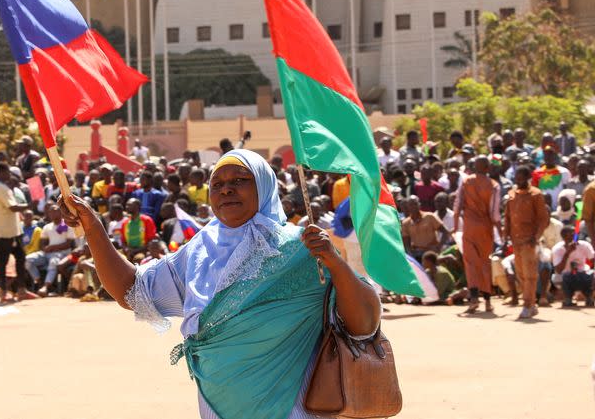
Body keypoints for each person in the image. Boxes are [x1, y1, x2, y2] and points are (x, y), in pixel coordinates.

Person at [58, 149, 380, 419]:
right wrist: (93, 227)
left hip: (292, 409)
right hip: (217, 409)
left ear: (264, 186)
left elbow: (364, 324)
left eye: (240, 181)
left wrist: (335, 263)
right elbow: (132, 291)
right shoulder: (199, 250)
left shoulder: (303, 248)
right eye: (218, 184)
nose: (226, 189)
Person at [454, 155, 501, 314]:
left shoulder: (466, 181)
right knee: (484, 263)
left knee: (470, 263)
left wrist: (455, 228)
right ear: (488, 168)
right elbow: (494, 214)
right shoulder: (494, 185)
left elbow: (457, 205)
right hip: (485, 228)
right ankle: (487, 301)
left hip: (469, 227)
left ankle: (474, 299)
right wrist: (501, 232)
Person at [502, 166, 550, 319]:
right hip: (516, 240)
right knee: (521, 273)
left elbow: (543, 219)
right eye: (517, 176)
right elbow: (507, 218)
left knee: (530, 274)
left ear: (528, 178)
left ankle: (527, 304)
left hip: (529, 241)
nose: (518, 179)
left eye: (521, 177)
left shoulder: (536, 195)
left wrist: (535, 237)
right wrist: (505, 238)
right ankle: (532, 303)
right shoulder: (511, 194)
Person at [0, 162, 31, 301]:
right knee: (4, 261)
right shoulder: (0, 187)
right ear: (1, 172)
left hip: (12, 230)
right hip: (6, 231)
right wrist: (30, 205)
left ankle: (20, 289)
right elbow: (12, 207)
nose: (9, 175)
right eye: (7, 172)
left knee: (19, 258)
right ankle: (4, 290)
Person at [25, 204, 75, 297]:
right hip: (48, 253)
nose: (52, 213)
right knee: (28, 260)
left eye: (55, 211)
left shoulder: (66, 224)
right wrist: (45, 248)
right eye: (50, 211)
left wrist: (52, 247)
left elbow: (68, 244)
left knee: (53, 261)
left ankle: (46, 287)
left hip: (62, 254)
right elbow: (43, 244)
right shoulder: (47, 227)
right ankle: (39, 282)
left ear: (60, 212)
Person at [551, 225, 594, 307]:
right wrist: (567, 253)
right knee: (562, 276)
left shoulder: (584, 245)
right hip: (565, 277)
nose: (576, 235)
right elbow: (558, 270)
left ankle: (589, 297)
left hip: (583, 275)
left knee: (592, 275)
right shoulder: (557, 249)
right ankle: (568, 298)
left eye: (576, 233)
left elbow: (592, 259)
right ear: (564, 237)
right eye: (572, 234)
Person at [400, 196, 449, 261]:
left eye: (415, 203)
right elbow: (406, 243)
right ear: (408, 207)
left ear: (419, 204)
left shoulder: (429, 216)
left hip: (432, 252)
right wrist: (411, 256)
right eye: (411, 205)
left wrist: (439, 247)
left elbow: (445, 232)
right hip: (417, 254)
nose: (413, 206)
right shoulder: (405, 223)